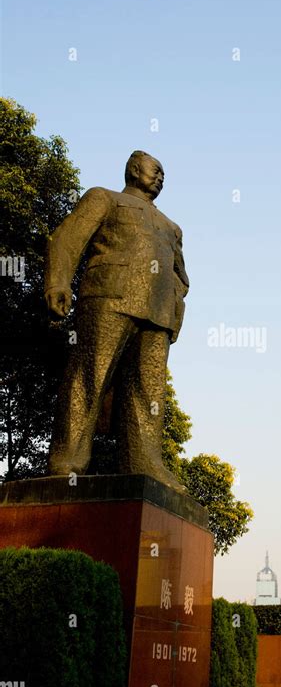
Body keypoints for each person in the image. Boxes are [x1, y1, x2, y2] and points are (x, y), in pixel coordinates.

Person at [44, 150, 189, 492]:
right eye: (156, 170)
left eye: (164, 174)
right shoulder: (103, 198)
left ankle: (145, 462)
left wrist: (174, 315)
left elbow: (181, 277)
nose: (160, 177)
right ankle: (67, 462)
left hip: (156, 314)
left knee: (149, 391)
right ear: (133, 169)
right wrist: (58, 281)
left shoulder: (172, 227)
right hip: (109, 296)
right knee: (89, 377)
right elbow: (66, 238)